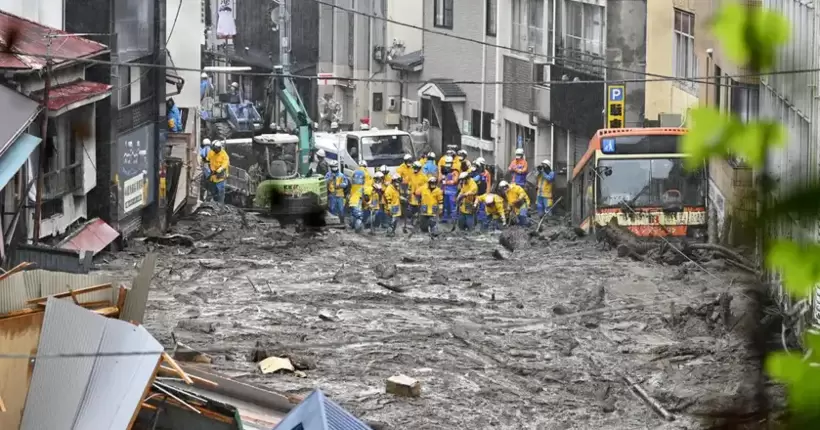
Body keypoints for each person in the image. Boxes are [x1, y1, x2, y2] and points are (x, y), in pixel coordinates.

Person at [407, 161, 427, 225]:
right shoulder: (411, 175)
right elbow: (410, 183)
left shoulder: (423, 176)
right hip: (412, 196)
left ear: (419, 168)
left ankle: (419, 220)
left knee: (419, 209)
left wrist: (421, 192)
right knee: (411, 209)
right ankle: (412, 220)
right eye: (414, 168)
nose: (415, 169)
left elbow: (427, 185)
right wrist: (408, 191)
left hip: (420, 196)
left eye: (417, 168)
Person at [440, 157, 459, 223]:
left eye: (449, 163)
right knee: (445, 206)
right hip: (446, 192)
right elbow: (442, 181)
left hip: (452, 193)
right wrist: (442, 189)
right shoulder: (445, 171)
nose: (447, 165)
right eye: (447, 163)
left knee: (452, 207)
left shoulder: (455, 171)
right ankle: (445, 218)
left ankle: (454, 220)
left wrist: (446, 182)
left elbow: (455, 181)